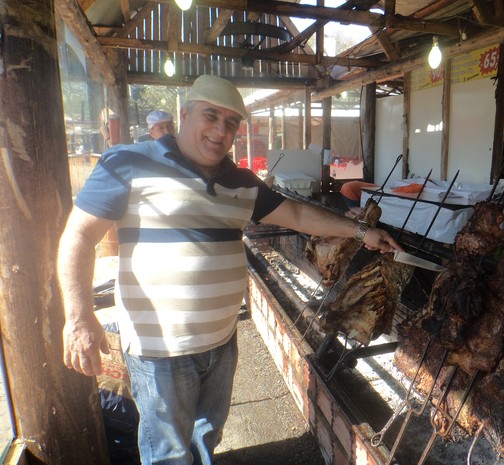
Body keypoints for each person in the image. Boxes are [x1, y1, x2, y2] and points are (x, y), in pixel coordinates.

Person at [57, 74, 402, 465]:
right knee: (169, 454)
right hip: (159, 352)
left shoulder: (241, 181)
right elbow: (78, 237)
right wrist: (79, 315)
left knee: (206, 440)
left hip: (221, 342)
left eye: (231, 122)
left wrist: (361, 231)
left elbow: (299, 213)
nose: (221, 130)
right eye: (210, 116)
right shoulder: (130, 162)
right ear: (184, 114)